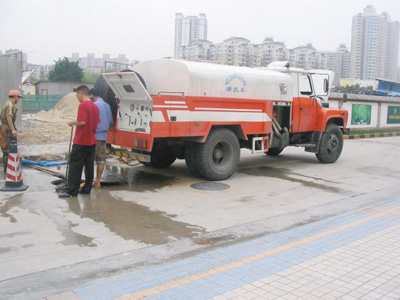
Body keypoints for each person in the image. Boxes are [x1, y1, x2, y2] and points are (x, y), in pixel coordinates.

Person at [58, 85, 99, 197]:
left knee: (75, 166)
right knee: (89, 165)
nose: (77, 97)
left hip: (81, 141)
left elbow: (82, 121)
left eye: (77, 95)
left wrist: (72, 122)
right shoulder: (94, 106)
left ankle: (72, 191)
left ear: (81, 93)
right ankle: (87, 189)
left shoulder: (83, 105)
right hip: (92, 140)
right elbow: (96, 122)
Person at [89, 88, 113, 188]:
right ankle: (98, 181)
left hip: (94, 136)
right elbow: (111, 122)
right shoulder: (107, 106)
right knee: (101, 159)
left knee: (89, 160)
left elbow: (90, 122)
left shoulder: (94, 105)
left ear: (92, 96)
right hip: (103, 137)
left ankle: (89, 181)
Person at [1, 90, 22, 174]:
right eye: (18, 97)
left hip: (4, 128)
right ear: (15, 97)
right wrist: (13, 130)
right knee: (9, 150)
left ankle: (8, 170)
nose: (18, 99)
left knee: (6, 150)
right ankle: (9, 172)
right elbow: (9, 117)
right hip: (7, 129)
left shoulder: (6, 104)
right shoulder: (10, 105)